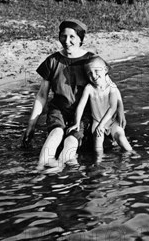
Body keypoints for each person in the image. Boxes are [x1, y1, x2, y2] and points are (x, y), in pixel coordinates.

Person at [22, 19, 101, 168]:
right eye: (63, 36)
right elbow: (42, 95)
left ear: (80, 39)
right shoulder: (53, 61)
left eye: (72, 37)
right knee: (55, 134)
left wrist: (111, 120)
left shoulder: (91, 60)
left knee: (71, 142)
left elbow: (107, 89)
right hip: (58, 110)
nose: (67, 41)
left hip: (83, 113)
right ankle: (40, 169)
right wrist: (31, 125)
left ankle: (64, 170)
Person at [72, 56, 132, 159]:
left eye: (96, 71)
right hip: (97, 120)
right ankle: (99, 164)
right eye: (89, 73)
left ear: (105, 70)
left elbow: (113, 108)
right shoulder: (89, 88)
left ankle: (132, 156)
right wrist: (76, 122)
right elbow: (81, 106)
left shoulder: (111, 87)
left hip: (112, 121)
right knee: (97, 143)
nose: (94, 76)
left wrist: (102, 124)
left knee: (121, 138)